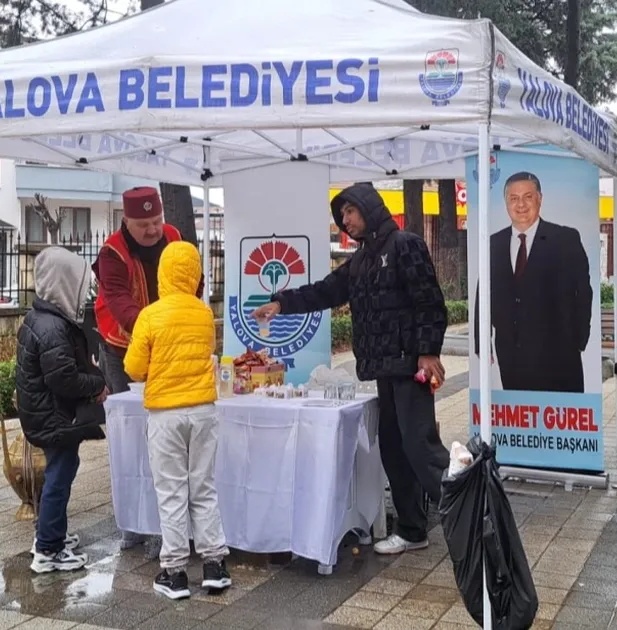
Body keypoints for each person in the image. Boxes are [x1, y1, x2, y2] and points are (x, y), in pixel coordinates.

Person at [252, 183, 449, 556]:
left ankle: (474, 520)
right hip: (384, 369)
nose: (345, 221)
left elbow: (429, 302)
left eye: (350, 212)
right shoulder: (360, 261)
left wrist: (427, 352)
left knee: (421, 448)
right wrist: (281, 303)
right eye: (341, 215)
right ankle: (411, 529)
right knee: (394, 450)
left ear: (369, 209)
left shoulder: (405, 245)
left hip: (411, 367)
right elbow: (324, 291)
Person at [124, 241, 231, 600]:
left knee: (172, 492)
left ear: (162, 274)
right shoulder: (204, 313)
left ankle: (175, 573)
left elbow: (134, 368)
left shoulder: (150, 315)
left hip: (166, 414)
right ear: (195, 273)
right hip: (203, 410)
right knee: (204, 487)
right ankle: (214, 566)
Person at [92, 185, 191, 549]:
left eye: (157, 221)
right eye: (143, 224)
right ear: (126, 222)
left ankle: (174, 515)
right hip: (123, 349)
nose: (153, 230)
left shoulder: (174, 238)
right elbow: (120, 303)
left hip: (168, 348)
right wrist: (158, 329)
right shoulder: (111, 253)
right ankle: (134, 522)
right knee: (132, 433)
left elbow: (190, 282)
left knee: (171, 431)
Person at [16, 247, 108, 574]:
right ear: (63, 284)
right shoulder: (53, 327)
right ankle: (48, 549)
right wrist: (96, 385)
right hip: (54, 417)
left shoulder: (42, 319)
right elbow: (63, 378)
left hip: (45, 414)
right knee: (59, 476)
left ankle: (49, 532)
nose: (84, 292)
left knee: (60, 471)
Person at [473, 171, 593, 393]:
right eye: (514, 198)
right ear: (506, 202)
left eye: (528, 197)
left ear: (540, 199)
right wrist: (482, 341)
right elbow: (484, 294)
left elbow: (583, 292)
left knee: (561, 413)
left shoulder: (565, 239)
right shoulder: (493, 243)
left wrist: (579, 339)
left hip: (560, 358)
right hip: (512, 356)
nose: (521, 204)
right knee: (519, 413)